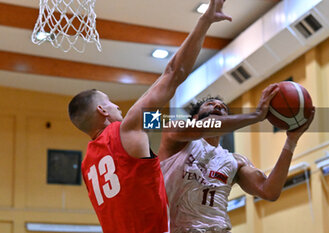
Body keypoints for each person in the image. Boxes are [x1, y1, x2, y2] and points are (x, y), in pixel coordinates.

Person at [67, 1, 232, 232]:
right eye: (109, 101)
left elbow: (159, 125)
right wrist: (204, 22)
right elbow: (174, 73)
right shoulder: (126, 129)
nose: (117, 106)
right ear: (102, 111)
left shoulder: (87, 165)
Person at [159, 87, 315, 233]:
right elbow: (205, 127)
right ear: (194, 117)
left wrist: (291, 141)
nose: (218, 106)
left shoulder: (235, 161)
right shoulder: (175, 136)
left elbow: (269, 191)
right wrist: (255, 116)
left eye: (223, 108)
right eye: (210, 104)